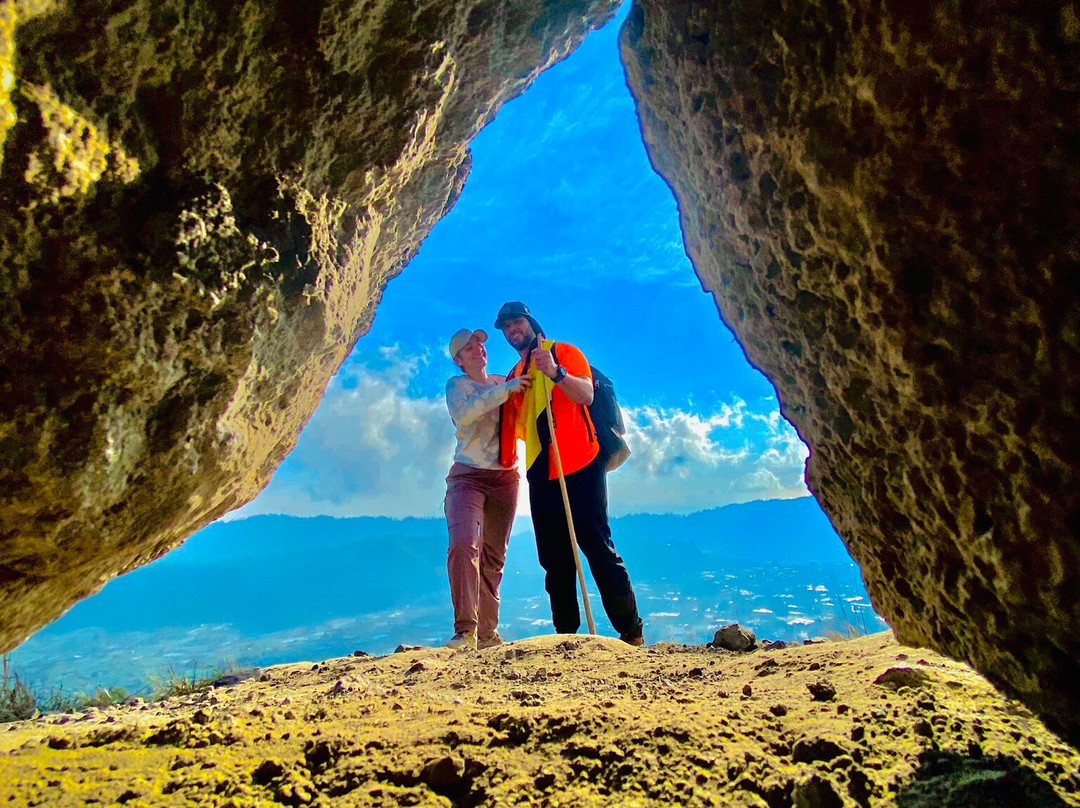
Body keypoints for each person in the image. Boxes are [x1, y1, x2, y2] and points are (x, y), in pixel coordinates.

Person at [494, 301, 644, 646]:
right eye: (506, 326)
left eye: (516, 322)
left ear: (531, 322)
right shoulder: (516, 373)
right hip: (541, 470)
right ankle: (566, 638)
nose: (512, 329)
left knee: (596, 546)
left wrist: (556, 373)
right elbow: (518, 428)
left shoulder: (563, 352)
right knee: (555, 559)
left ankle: (631, 632)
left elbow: (586, 395)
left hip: (580, 461)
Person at [442, 327, 532, 650]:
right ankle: (465, 630)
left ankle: (488, 635)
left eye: (479, 344)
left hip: (506, 477)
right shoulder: (457, 386)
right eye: (469, 348)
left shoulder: (501, 381)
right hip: (467, 475)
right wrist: (507, 389)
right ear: (459, 360)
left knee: (494, 556)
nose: (478, 349)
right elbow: (465, 415)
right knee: (464, 543)